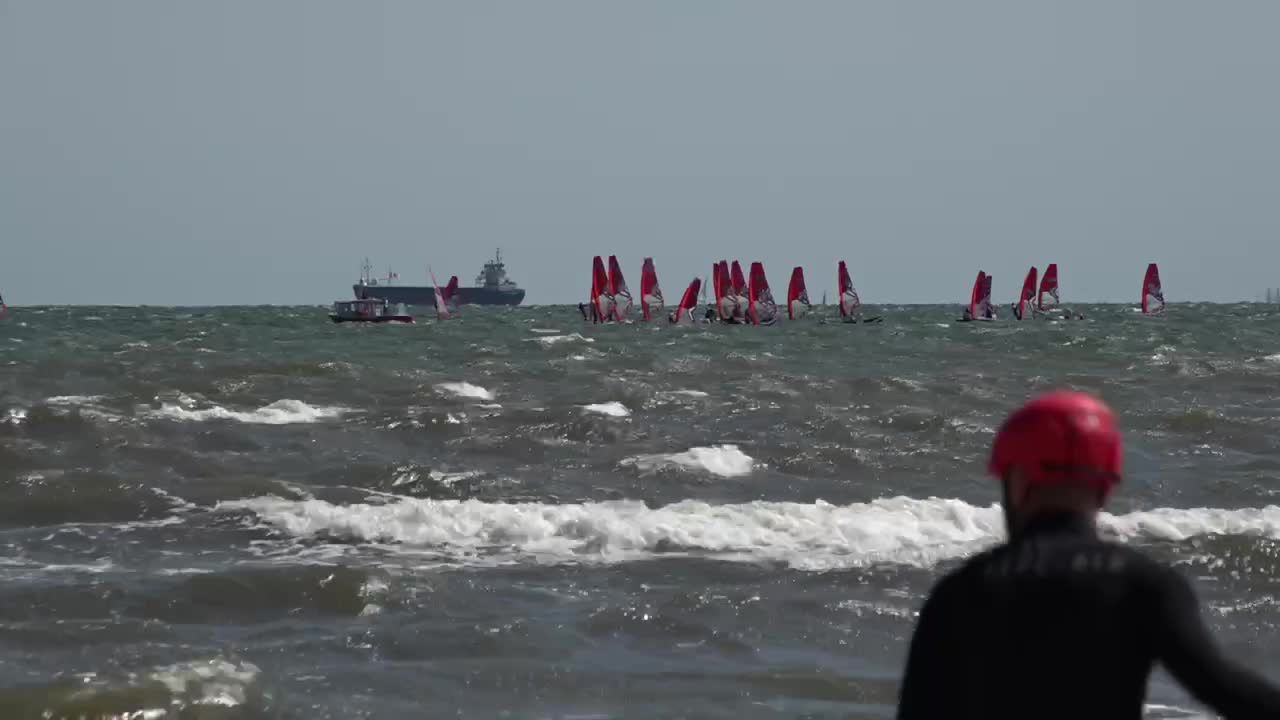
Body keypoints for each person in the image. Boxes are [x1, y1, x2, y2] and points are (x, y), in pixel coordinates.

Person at [897, 391, 1280, 719]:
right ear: (1105, 486)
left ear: (1019, 481)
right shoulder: (1144, 585)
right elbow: (1225, 689)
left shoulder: (957, 595)